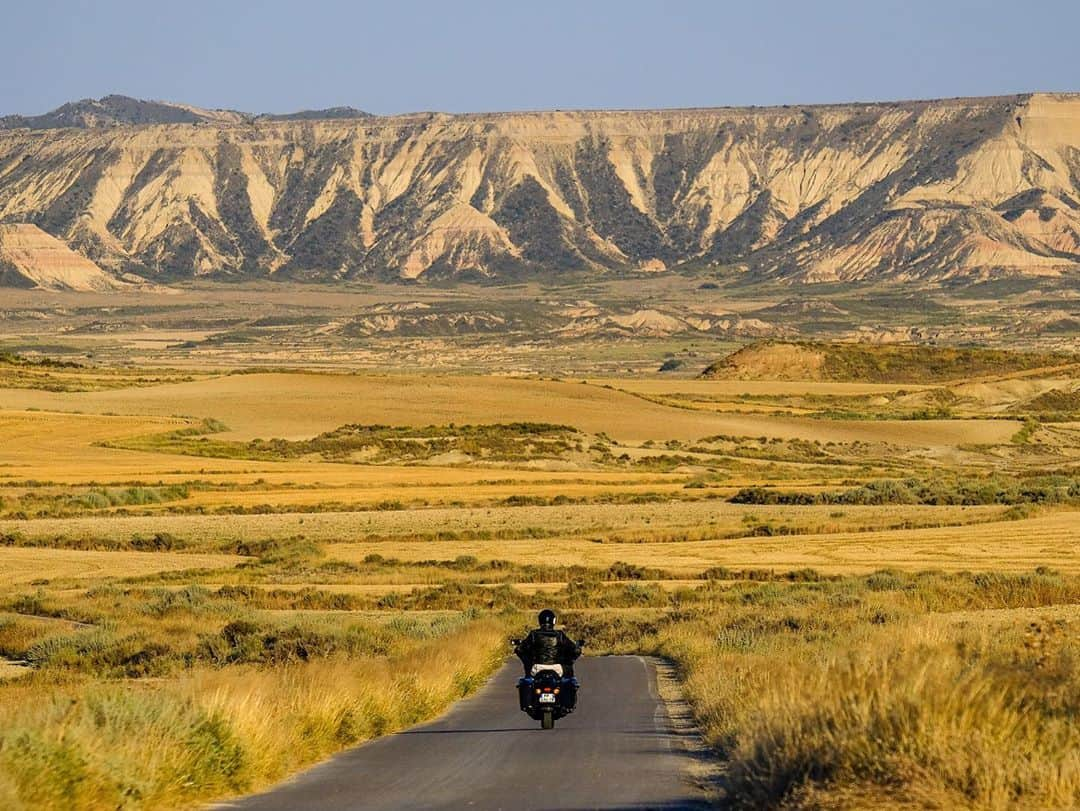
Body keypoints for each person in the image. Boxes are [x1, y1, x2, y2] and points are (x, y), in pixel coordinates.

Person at [514, 609, 581, 677]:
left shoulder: (533, 634)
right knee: (570, 680)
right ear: (553, 621)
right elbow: (575, 650)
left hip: (537, 668)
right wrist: (570, 659)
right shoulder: (559, 635)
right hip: (557, 669)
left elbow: (520, 649)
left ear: (539, 621)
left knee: (525, 681)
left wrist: (527, 661)